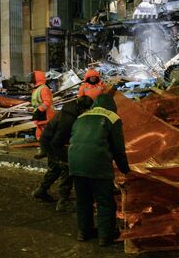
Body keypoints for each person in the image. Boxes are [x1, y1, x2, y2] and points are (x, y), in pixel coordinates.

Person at [68, 94, 130, 247]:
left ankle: (84, 232)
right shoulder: (112, 117)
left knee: (83, 200)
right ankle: (105, 236)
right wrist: (125, 170)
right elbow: (118, 148)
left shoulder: (81, 117)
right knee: (105, 201)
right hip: (97, 163)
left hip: (75, 163)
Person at [32, 95, 93, 211]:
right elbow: (57, 142)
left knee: (55, 168)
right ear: (82, 108)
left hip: (49, 141)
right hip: (52, 144)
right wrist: (63, 158)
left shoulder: (71, 110)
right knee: (67, 169)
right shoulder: (68, 119)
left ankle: (41, 191)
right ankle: (63, 202)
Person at [31, 70, 55, 159]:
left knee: (46, 134)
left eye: (33, 77)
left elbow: (47, 102)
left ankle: (49, 152)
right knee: (40, 133)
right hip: (41, 113)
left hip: (45, 114)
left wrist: (38, 111)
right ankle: (44, 150)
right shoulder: (38, 88)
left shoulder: (43, 89)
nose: (31, 78)